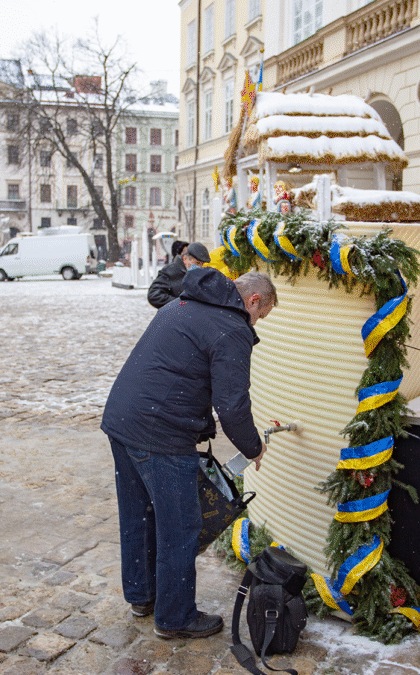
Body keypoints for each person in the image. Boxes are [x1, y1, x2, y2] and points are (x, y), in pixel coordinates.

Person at [102, 269, 277, 639]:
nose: (257, 322)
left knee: (139, 517)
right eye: (261, 316)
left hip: (121, 419)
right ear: (254, 300)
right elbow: (232, 405)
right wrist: (253, 447)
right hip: (160, 433)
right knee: (180, 526)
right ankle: (175, 617)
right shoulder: (231, 327)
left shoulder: (182, 304)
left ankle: (143, 597)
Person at [146, 242, 211, 309]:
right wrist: (180, 304)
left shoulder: (200, 274)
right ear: (185, 258)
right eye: (197, 263)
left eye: (202, 264)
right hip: (176, 316)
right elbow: (154, 295)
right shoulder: (170, 271)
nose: (200, 266)